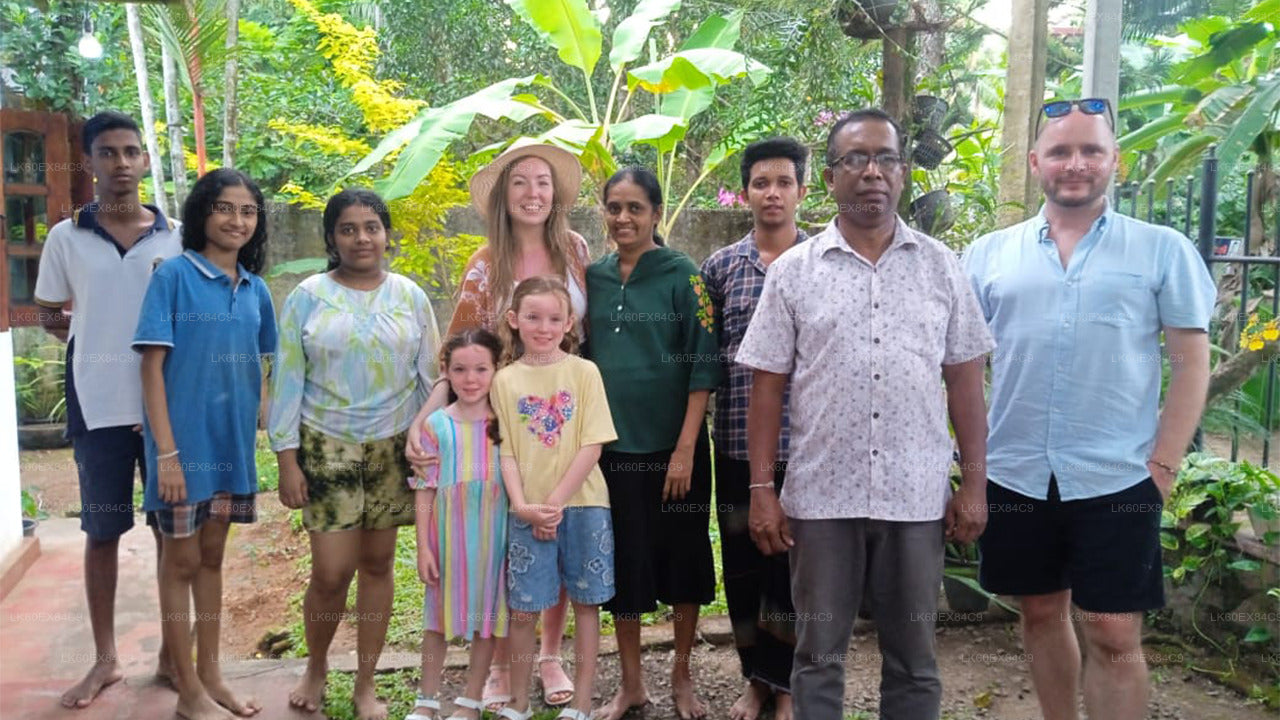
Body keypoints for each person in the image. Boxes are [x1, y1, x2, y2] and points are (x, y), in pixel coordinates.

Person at [736, 108, 994, 720]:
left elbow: (964, 381)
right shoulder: (794, 273)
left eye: (885, 158)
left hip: (915, 497)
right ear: (829, 178)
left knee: (913, 660)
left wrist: (976, 483)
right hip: (822, 498)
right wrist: (761, 490)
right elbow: (766, 389)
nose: (871, 172)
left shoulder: (941, 267)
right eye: (855, 159)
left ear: (903, 173)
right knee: (818, 657)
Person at [962, 98, 1215, 720]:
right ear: (1034, 163)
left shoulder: (1162, 249)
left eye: (1091, 150)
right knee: (1041, 612)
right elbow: (963, 367)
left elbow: (1191, 363)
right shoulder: (989, 254)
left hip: (1119, 473)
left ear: (1115, 161)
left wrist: (1164, 465)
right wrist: (970, 464)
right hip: (1015, 469)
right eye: (1060, 151)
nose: (1075, 164)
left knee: (1115, 632)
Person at [405, 140, 588, 710]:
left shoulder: (577, 250)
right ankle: (508, 663)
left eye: (542, 182)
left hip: (563, 411)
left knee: (553, 525)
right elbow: (458, 348)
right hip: (503, 418)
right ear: (503, 198)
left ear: (555, 194)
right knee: (509, 538)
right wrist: (427, 414)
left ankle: (551, 653)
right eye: (520, 183)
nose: (533, 193)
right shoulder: (486, 263)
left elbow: (593, 332)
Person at [269, 189, 440, 720]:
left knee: (378, 563)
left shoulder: (410, 296)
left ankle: (366, 681)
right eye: (348, 228)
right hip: (326, 448)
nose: (362, 238)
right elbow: (287, 379)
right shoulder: (308, 295)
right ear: (331, 238)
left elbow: (432, 378)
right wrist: (287, 460)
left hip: (394, 448)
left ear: (387, 234)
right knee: (329, 572)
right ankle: (316, 666)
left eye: (371, 226)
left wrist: (430, 442)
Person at [33, 110, 183, 709]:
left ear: (145, 161)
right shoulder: (65, 238)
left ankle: (175, 656)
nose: (121, 163)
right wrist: (91, 342)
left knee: (173, 532)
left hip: (166, 411)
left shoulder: (176, 237)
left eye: (131, 152)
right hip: (96, 409)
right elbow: (49, 313)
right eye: (108, 153)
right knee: (101, 532)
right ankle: (105, 662)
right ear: (89, 163)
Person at [134, 168, 277, 720]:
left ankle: (213, 673)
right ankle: (187, 691)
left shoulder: (256, 288)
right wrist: (165, 454)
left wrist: (260, 416)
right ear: (201, 214)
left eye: (247, 211)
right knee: (181, 560)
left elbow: (262, 362)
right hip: (179, 451)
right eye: (224, 208)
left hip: (231, 450)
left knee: (214, 556)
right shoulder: (172, 276)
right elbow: (151, 368)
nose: (236, 220)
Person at [587, 168, 724, 720]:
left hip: (676, 454)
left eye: (635, 208)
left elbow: (703, 363)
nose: (624, 218)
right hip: (611, 455)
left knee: (683, 561)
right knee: (625, 568)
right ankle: (631, 684)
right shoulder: (592, 277)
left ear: (656, 213)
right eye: (614, 207)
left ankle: (683, 677)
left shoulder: (682, 275)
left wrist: (686, 449)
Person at [700, 137, 810, 720]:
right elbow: (704, 358)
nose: (772, 193)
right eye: (761, 183)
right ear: (745, 193)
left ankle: (787, 682)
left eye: (784, 182)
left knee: (792, 567)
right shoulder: (719, 268)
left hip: (806, 446)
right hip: (739, 444)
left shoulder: (822, 261)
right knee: (743, 564)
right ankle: (754, 679)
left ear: (801, 190)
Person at [488, 276, 618, 720]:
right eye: (533, 317)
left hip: (583, 506)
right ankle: (519, 703)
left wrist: (555, 503)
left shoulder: (585, 372)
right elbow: (505, 450)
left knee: (586, 604)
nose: (544, 327)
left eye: (554, 318)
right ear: (514, 320)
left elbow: (592, 444)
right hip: (525, 510)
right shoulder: (504, 380)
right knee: (524, 610)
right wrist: (524, 505)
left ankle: (581, 704)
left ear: (569, 322)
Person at [406, 329, 509, 720]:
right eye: (460, 369)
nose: (471, 379)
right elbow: (424, 489)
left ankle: (471, 701)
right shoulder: (435, 425)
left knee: (486, 620)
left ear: (496, 369)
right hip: (447, 539)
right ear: (445, 372)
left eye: (481, 369)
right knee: (436, 621)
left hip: (494, 538)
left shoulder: (505, 423)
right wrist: (423, 547)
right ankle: (427, 700)